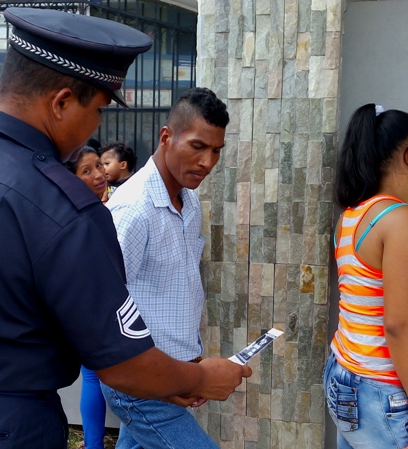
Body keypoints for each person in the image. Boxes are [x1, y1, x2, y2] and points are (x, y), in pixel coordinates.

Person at [0, 8, 251, 449]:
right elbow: (122, 364)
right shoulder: (62, 207)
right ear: (62, 102)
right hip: (2, 428)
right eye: (98, 110)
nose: (97, 126)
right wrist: (202, 378)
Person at [99, 87, 230, 449]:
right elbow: (102, 309)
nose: (207, 162)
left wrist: (188, 361)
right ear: (166, 137)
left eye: (216, 150)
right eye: (198, 146)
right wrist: (157, 382)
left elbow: (175, 288)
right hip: (139, 381)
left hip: (172, 373)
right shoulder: (133, 209)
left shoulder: (190, 201)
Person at [324, 104, 408, 449]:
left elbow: (386, 256)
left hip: (346, 373)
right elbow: (399, 324)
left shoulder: (353, 216)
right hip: (383, 388)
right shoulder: (403, 222)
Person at [65, 146, 111, 449]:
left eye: (99, 165)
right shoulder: (80, 215)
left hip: (98, 305)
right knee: (95, 375)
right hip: (92, 307)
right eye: (87, 170)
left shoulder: (101, 208)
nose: (99, 174)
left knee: (94, 376)